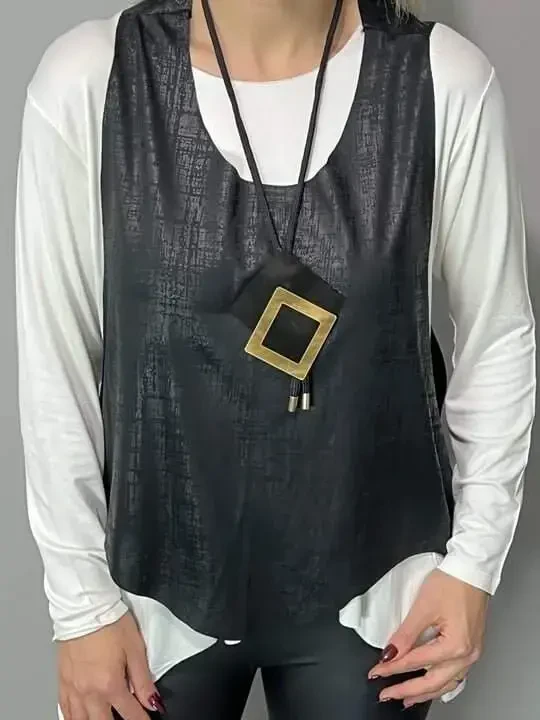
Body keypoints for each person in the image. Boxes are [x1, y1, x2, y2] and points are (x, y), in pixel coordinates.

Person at [14, 0, 536, 718]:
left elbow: (498, 334)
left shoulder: (441, 80)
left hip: (377, 589)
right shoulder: (91, 80)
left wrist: (474, 566)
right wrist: (80, 606)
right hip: (151, 597)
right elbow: (56, 359)